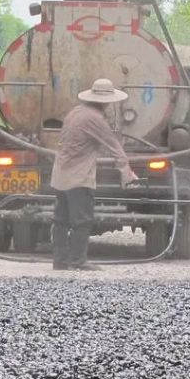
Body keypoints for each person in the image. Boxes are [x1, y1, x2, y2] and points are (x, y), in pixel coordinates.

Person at [50, 78, 138, 271]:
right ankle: (77, 260)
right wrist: (127, 174)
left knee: (61, 220)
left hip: (60, 175)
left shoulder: (75, 112)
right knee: (82, 220)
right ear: (105, 101)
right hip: (78, 177)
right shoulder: (95, 119)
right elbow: (114, 147)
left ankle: (60, 260)